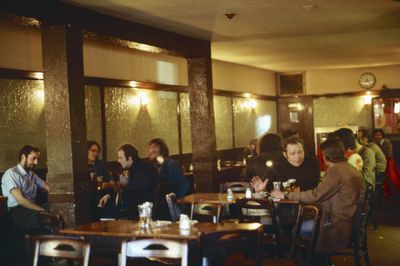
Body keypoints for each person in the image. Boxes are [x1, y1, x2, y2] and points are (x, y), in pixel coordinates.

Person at [271, 138, 366, 254]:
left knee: (296, 229)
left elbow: (316, 195)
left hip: (335, 225)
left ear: (325, 157)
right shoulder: (351, 169)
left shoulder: (336, 172)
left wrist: (286, 195)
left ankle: (309, 259)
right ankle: (315, 258)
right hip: (349, 222)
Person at [98, 144, 159, 219]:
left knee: (108, 209)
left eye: (120, 158)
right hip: (137, 209)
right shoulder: (136, 168)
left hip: (142, 212)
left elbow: (134, 190)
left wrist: (115, 195)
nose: (118, 161)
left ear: (129, 158)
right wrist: (110, 196)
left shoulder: (144, 169)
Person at [1, 145, 50, 233]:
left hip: (32, 208)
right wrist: (44, 210)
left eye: (38, 159)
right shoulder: (11, 174)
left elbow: (48, 187)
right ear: (23, 157)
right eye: (33, 158)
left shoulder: (31, 174)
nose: (36, 163)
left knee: (56, 209)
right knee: (45, 218)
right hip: (18, 212)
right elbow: (21, 200)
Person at [251, 136, 320, 192]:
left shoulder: (313, 162)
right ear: (285, 154)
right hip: (282, 203)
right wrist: (262, 190)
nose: (297, 156)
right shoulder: (276, 165)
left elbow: (312, 186)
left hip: (306, 202)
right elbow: (269, 188)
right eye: (292, 154)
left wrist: (284, 190)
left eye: (300, 152)